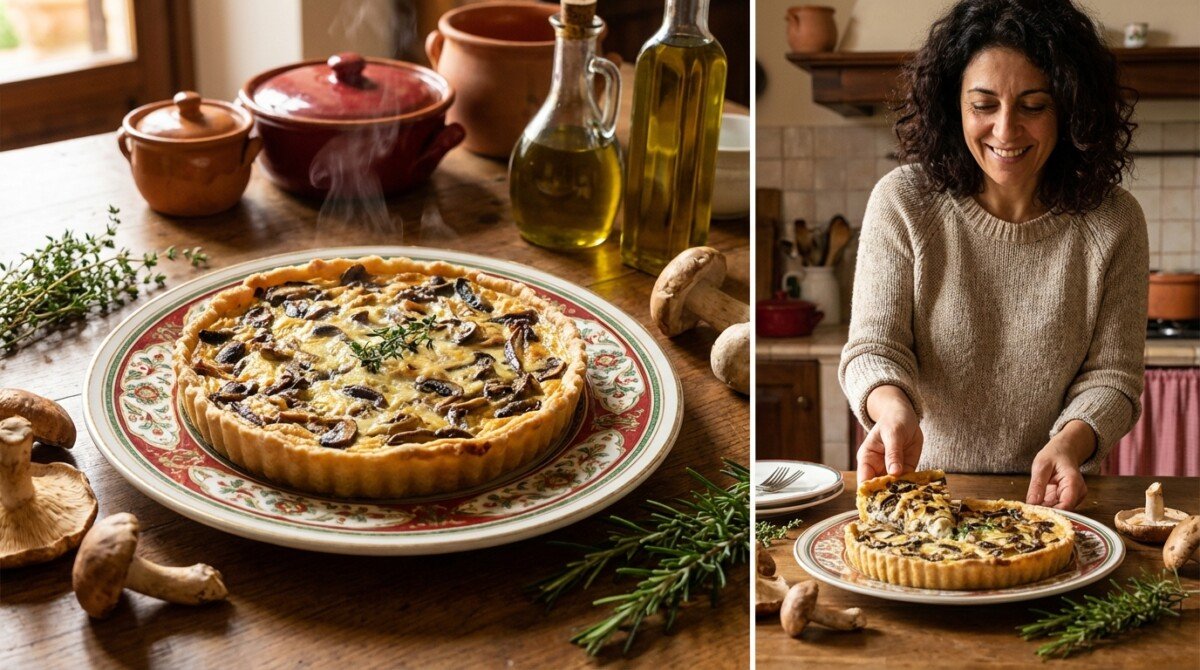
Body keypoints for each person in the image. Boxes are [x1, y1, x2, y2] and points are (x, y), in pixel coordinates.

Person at [839, 0, 1146, 510]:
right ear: (952, 105)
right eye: (984, 105)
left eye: (1033, 105)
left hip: (1054, 499)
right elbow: (874, 348)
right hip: (926, 492)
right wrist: (892, 410)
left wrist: (1069, 443)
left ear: (1069, 107)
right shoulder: (903, 202)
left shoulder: (1114, 220)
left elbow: (1113, 379)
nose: (1006, 131)